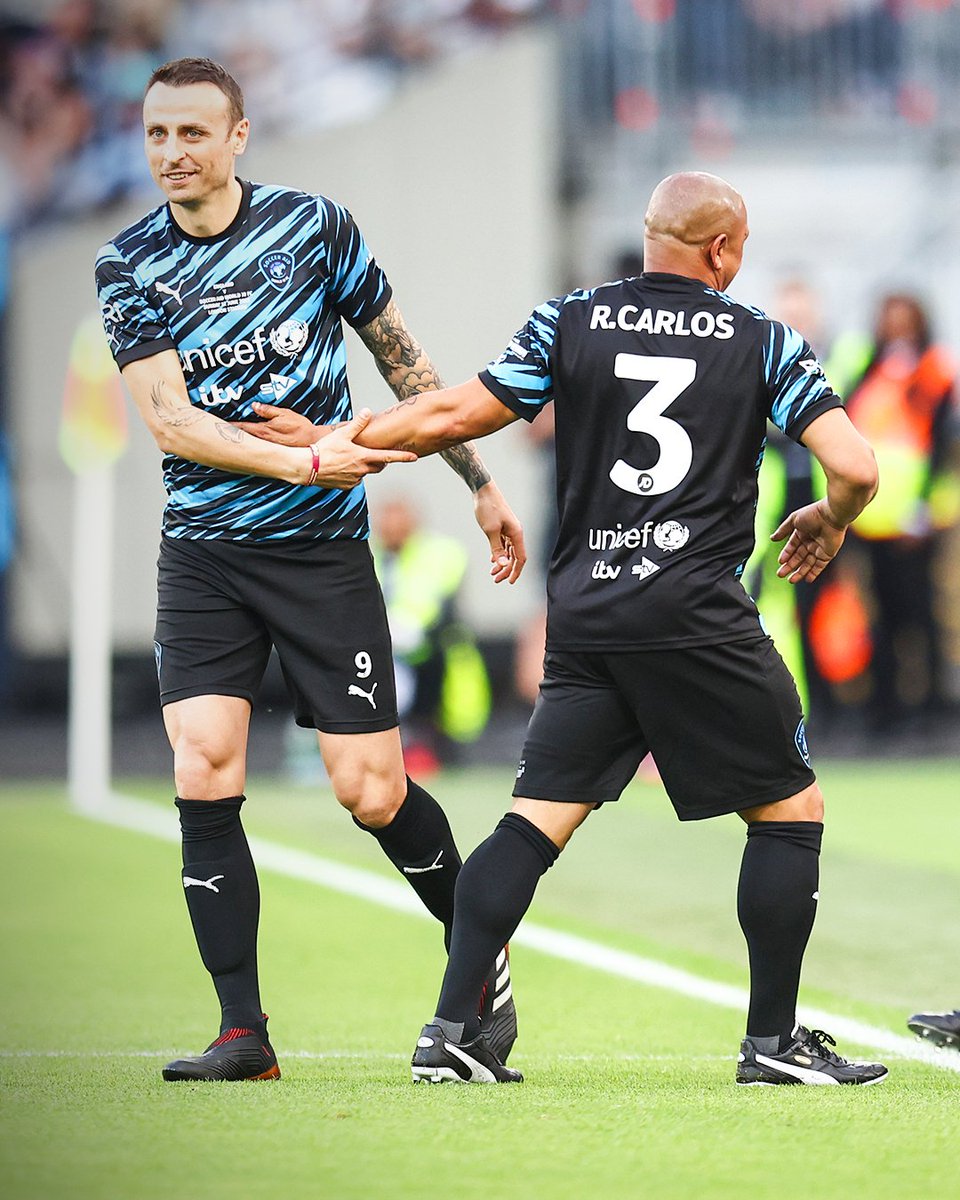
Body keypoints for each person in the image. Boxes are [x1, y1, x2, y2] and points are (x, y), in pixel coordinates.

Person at [257, 170, 887, 1086]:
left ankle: (451, 1031)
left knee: (532, 822)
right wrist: (831, 518)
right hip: (697, 615)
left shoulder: (570, 320)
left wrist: (334, 440)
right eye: (741, 248)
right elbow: (856, 467)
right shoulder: (762, 339)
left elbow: (449, 414)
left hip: (588, 616)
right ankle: (772, 1043)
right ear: (720, 249)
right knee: (791, 811)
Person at [94, 56, 524, 1082]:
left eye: (193, 133)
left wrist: (477, 480)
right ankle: (242, 1032)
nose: (171, 153)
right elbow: (172, 421)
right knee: (203, 764)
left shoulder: (315, 227)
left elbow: (404, 360)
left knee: (371, 790)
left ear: (238, 137)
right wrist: (304, 456)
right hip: (204, 555)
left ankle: (478, 967)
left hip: (322, 553)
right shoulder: (127, 263)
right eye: (156, 134)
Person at [835, 292, 959, 732]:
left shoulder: (933, 368)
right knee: (878, 614)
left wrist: (922, 505)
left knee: (922, 613)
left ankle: (932, 705)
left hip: (916, 518)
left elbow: (941, 441)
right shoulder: (867, 367)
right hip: (872, 516)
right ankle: (885, 705)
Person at [371, 494, 491, 775]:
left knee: (447, 730)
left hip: (436, 655)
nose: (391, 528)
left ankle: (432, 750)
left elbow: (435, 602)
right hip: (388, 656)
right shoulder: (371, 556)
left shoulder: (441, 553)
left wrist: (406, 627)